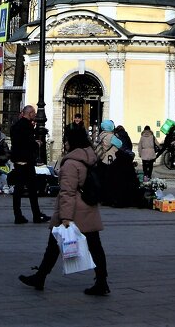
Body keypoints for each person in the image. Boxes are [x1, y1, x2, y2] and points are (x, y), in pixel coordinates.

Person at [18, 127, 109, 296]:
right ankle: (101, 281)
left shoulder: (71, 163)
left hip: (73, 211)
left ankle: (40, 277)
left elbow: (68, 192)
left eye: (67, 140)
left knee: (53, 245)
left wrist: (66, 217)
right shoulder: (89, 158)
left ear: (72, 142)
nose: (65, 143)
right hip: (89, 208)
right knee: (95, 246)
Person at [11, 105, 49, 223]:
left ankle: (18, 215)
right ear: (30, 113)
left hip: (17, 160)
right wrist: (36, 143)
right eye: (34, 113)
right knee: (32, 190)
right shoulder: (28, 126)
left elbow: (17, 142)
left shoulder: (15, 126)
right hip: (27, 161)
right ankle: (36, 215)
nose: (35, 115)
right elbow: (27, 143)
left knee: (18, 189)